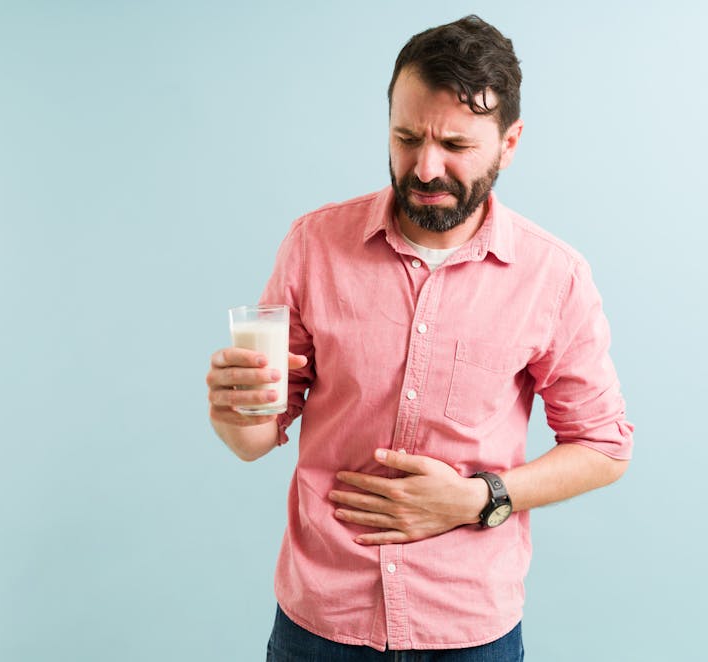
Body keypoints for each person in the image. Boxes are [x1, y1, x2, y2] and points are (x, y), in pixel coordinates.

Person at [206, 14, 633, 661]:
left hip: (468, 629)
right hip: (321, 623)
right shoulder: (312, 246)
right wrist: (235, 414)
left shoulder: (555, 276)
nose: (425, 167)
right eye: (407, 138)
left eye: (456, 146)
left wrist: (475, 499)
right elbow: (255, 439)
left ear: (508, 142)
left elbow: (604, 447)